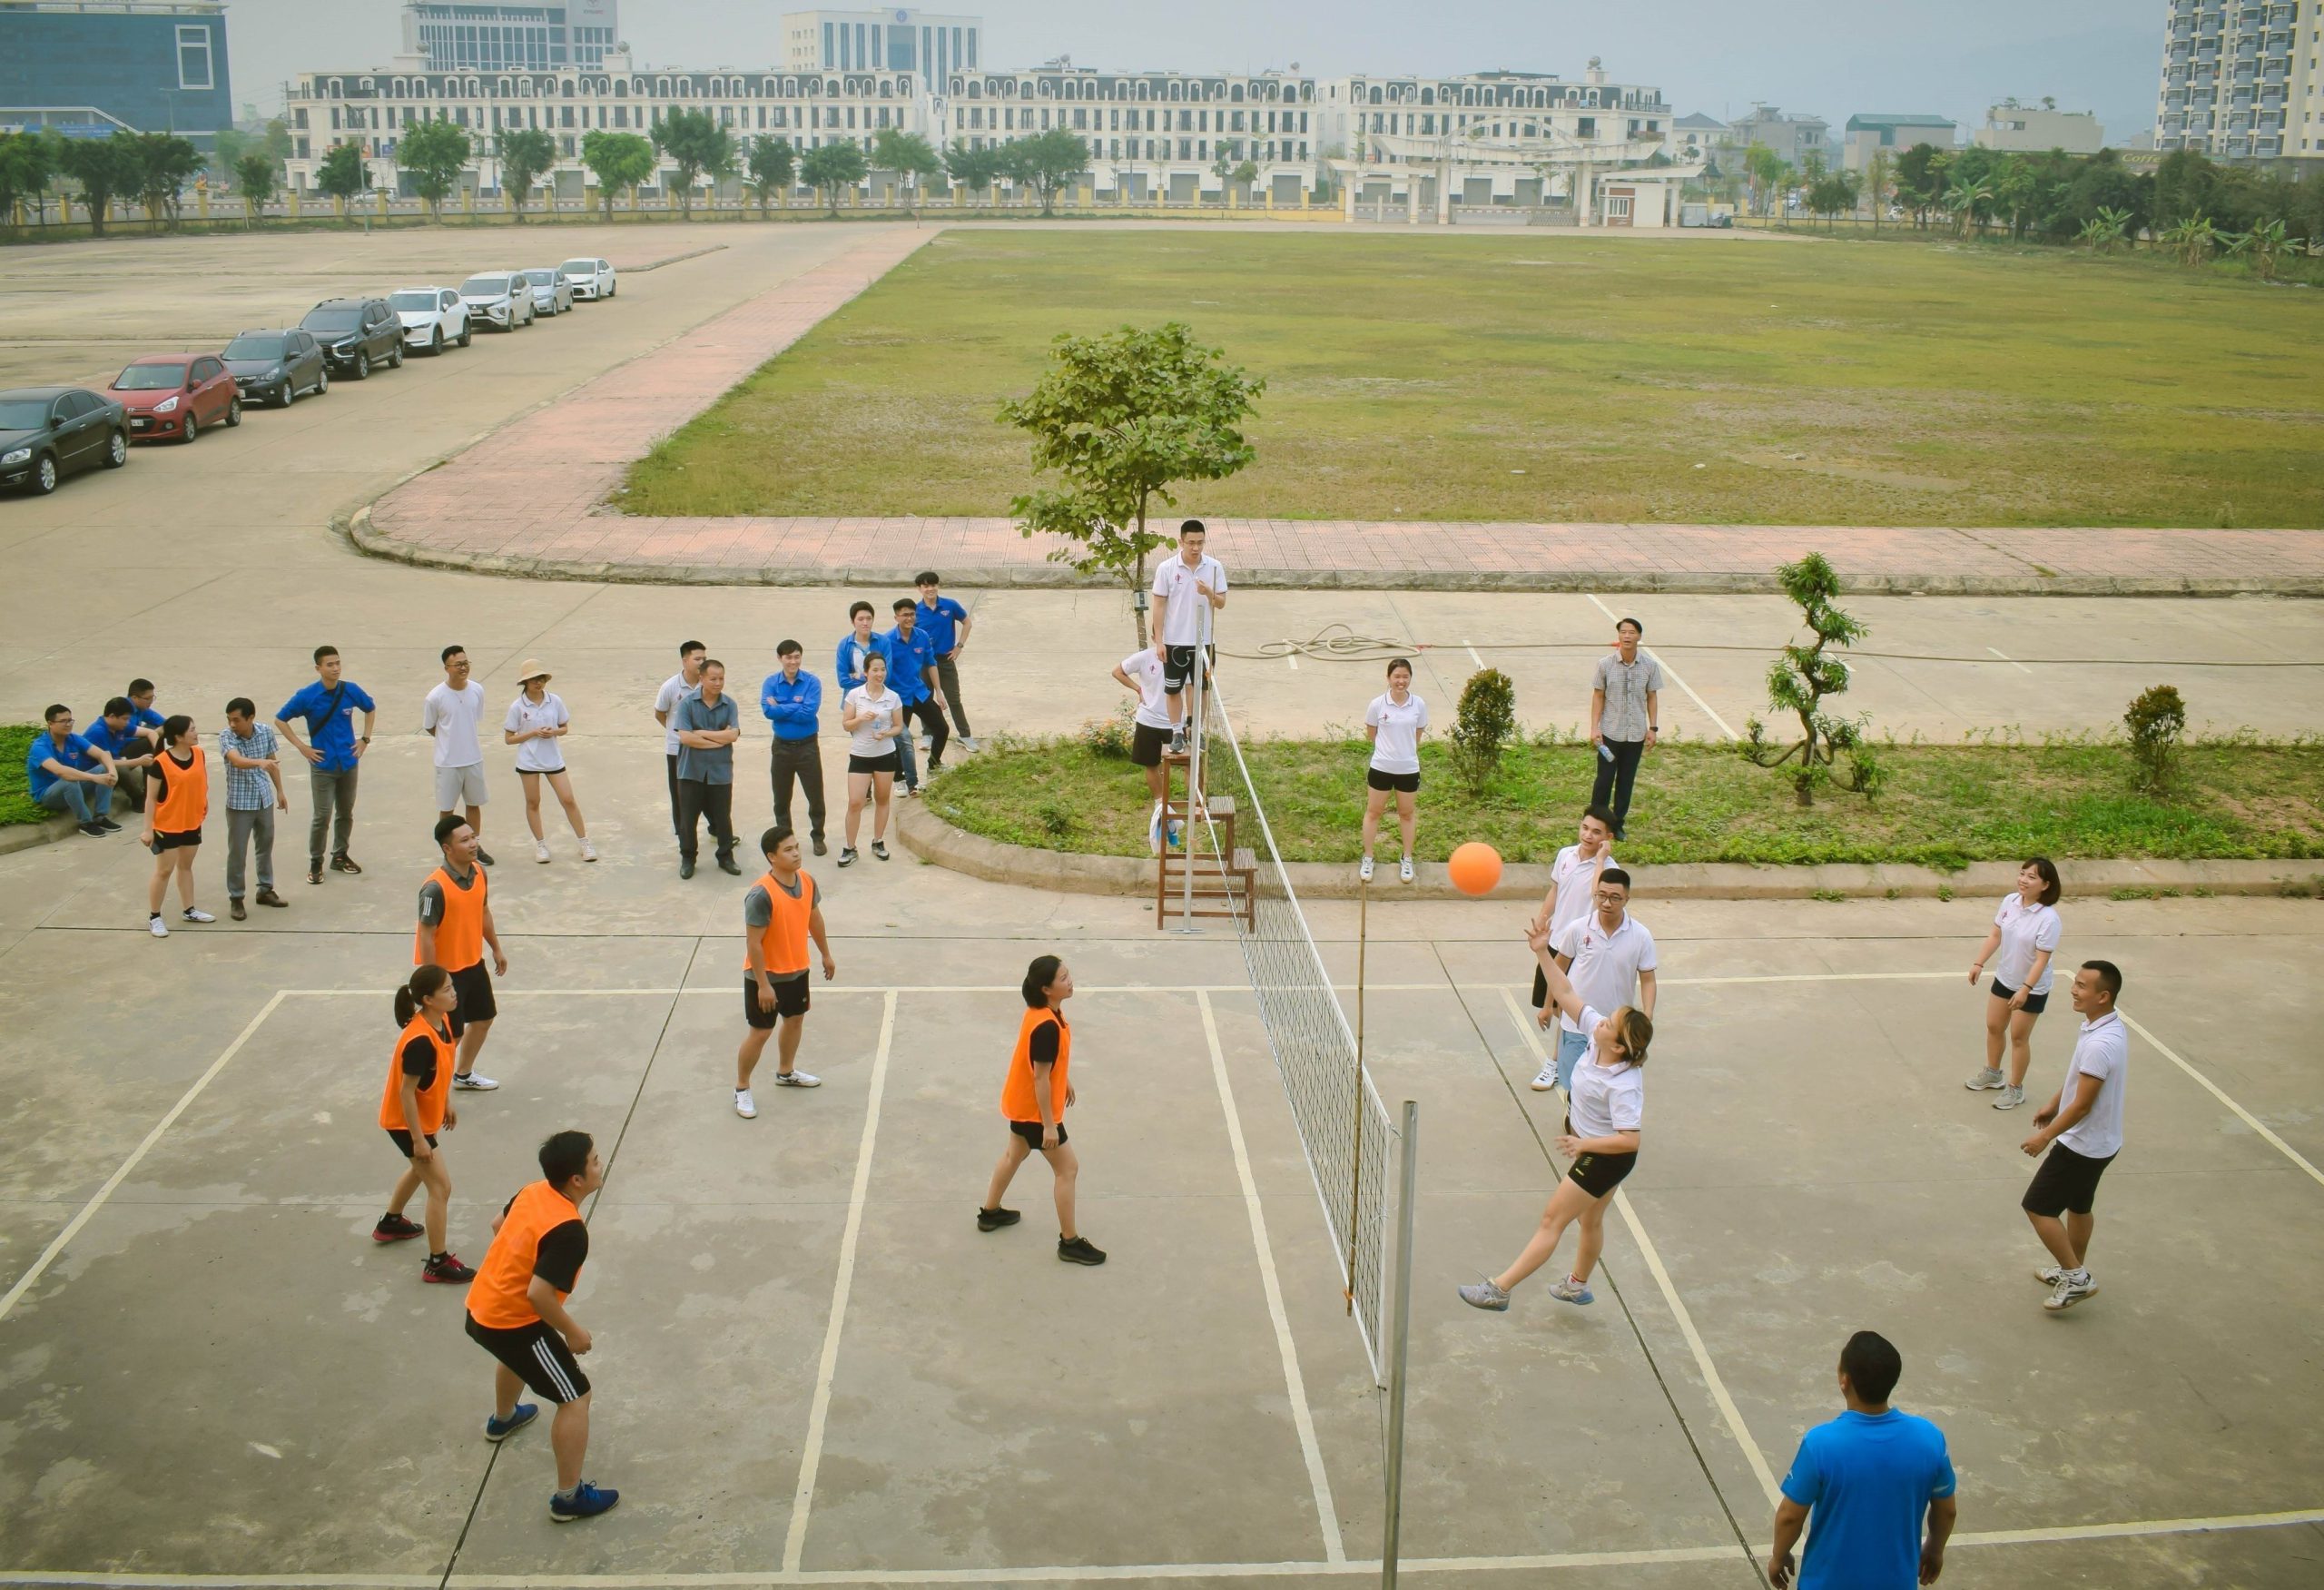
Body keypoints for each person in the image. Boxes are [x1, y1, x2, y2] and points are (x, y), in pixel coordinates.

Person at [1459, 933, 1650, 1312]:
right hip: (1594, 1147)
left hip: (1605, 1157)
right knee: (1590, 1220)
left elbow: (1630, 1141)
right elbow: (1564, 991)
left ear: (1618, 1046)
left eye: (1609, 1023)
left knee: (1552, 1220)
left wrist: (1583, 1145)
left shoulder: (1624, 1085)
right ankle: (1577, 1286)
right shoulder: (1597, 1036)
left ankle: (1499, 1290)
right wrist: (1541, 952)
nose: (1601, 1019)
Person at [463, 1129, 618, 1522]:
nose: (600, 1165)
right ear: (577, 1179)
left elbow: (497, 1225)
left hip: (481, 1307)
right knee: (576, 1398)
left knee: (516, 1358)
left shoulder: (532, 1191)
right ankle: (569, 1498)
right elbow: (538, 1295)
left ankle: (504, 1419)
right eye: (595, 1161)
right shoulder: (569, 1231)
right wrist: (573, 1332)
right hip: (515, 1323)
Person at [1768, 1331, 1957, 1590]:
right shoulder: (1930, 1439)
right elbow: (1947, 1510)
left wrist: (1779, 1556)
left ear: (1844, 1381)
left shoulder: (1821, 1444)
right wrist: (1934, 1549)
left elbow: (1790, 1516)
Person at [982, 954, 1106, 1265]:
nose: (1070, 981)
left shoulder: (1041, 1012)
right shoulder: (1047, 1027)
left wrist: (1064, 1080)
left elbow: (1046, 1064)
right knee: (1068, 1169)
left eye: (1068, 975)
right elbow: (1039, 1077)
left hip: (1021, 1104)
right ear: (1046, 989)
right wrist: (1049, 1126)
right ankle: (1070, 1242)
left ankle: (990, 1213)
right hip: (1035, 1113)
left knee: (1014, 1154)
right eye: (1063, 978)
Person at [2019, 960, 2127, 1313]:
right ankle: (2072, 1269)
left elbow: (2082, 1106)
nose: (2073, 990)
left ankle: (2077, 1277)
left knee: (2037, 1207)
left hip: (2081, 1145)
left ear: (2103, 996)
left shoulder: (2100, 1044)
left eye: (2082, 985)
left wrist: (2045, 1137)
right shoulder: (2103, 1026)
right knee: (2079, 1206)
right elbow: (2079, 1082)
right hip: (2102, 1142)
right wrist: (2054, 1103)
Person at [374, 963, 477, 1284]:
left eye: (452, 986)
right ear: (428, 1000)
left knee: (422, 1170)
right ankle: (437, 1262)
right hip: (405, 1123)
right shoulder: (419, 1041)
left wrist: (444, 1101)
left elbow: (438, 1070)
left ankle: (390, 1223)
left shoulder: (440, 1020)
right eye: (447, 989)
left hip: (420, 1120)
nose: (454, 993)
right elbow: (406, 1093)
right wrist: (418, 1139)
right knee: (440, 1187)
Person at [735, 825, 836, 1116]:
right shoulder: (760, 894)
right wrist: (763, 985)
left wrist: (826, 954)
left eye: (797, 847)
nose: (796, 854)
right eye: (788, 850)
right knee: (760, 1032)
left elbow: (814, 919)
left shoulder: (807, 880)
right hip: (765, 977)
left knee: (794, 1021)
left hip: (796, 970)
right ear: (772, 857)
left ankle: (786, 1072)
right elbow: (754, 944)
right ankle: (742, 1088)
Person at [1541, 865, 1658, 1096]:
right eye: (1601, 896)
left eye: (1615, 898)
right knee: (1572, 1086)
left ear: (1626, 899)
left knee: (1605, 1090)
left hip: (1614, 1029)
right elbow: (1558, 969)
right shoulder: (1578, 928)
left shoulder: (1641, 935)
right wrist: (1547, 1006)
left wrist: (1648, 1014)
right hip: (1576, 1023)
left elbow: (1648, 980)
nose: (1606, 903)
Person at [1525, 807, 1618, 1089]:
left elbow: (1597, 896)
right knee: (1555, 1009)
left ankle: (1555, 1063)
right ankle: (1574, 1054)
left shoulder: (1610, 870)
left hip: (1583, 949)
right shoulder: (1566, 855)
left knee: (1567, 1009)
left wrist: (1600, 859)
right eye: (1585, 828)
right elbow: (1556, 891)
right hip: (1555, 943)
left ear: (1608, 838)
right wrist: (1542, 920)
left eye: (1596, 832)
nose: (1588, 835)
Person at [416, 815, 507, 1092]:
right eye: (465, 840)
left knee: (484, 1018)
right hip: (447, 974)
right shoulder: (434, 889)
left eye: (473, 837)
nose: (473, 844)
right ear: (447, 848)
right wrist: (433, 980)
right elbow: (426, 935)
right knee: (450, 1036)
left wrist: (496, 948)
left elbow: (483, 911)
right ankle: (424, 1086)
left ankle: (463, 1074)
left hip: (472, 964)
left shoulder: (479, 873)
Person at [1964, 858, 2063, 1111]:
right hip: (2005, 977)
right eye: (2022, 874)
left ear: (2046, 885)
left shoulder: (2049, 919)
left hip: (2033, 987)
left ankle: (2015, 1088)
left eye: (2031, 877)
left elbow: (2041, 960)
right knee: (1994, 1026)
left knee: (2019, 1037)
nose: (2023, 880)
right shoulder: (2010, 901)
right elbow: (1995, 935)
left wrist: (2025, 989)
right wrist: (1979, 963)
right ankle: (1993, 1073)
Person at [274, 645, 377, 885]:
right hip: (323, 765)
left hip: (348, 762)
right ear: (318, 668)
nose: (335, 668)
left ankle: (340, 855)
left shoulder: (350, 690)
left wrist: (365, 739)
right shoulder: (307, 696)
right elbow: (280, 719)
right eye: (329, 665)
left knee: (346, 812)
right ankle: (316, 862)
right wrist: (302, 747)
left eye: (338, 663)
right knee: (322, 816)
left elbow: (370, 708)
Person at [504, 661, 595, 864]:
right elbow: (509, 738)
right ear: (525, 682)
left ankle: (584, 843)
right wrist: (533, 733)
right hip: (528, 762)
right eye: (534, 680)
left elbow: (564, 727)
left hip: (553, 759)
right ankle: (540, 845)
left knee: (568, 799)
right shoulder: (517, 707)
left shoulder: (555, 701)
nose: (538, 683)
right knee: (533, 802)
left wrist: (553, 732)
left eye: (541, 679)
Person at [1149, 520, 1227, 753]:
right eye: (1191, 542)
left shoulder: (1214, 567)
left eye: (1200, 543)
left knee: (1202, 688)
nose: (1196, 548)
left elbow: (1221, 603)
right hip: (1174, 642)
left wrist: (1208, 592)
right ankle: (1176, 732)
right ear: (1181, 542)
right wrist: (1160, 641)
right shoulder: (1166, 568)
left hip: (1204, 642)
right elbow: (1159, 605)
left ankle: (1197, 730)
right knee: (1173, 689)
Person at [1588, 617, 1662, 841]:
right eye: (1623, 632)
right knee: (1604, 780)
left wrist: (1653, 728)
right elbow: (1598, 696)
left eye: (1631, 632)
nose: (1627, 636)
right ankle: (1595, 823)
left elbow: (1652, 696)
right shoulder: (1605, 664)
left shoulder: (1650, 666)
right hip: (1610, 735)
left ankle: (1617, 824)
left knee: (1625, 782)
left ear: (1639, 636)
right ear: (1618, 636)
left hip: (1635, 736)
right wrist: (1594, 728)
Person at [217, 697, 290, 921]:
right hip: (240, 803)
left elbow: (272, 762)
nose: (232, 724)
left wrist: (280, 791)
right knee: (237, 852)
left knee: (265, 845)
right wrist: (259, 762)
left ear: (250, 718)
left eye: (236, 720)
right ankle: (236, 897)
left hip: (263, 799)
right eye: (229, 719)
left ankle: (265, 889)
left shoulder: (265, 731)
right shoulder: (226, 736)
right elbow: (237, 761)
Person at [140, 716, 212, 937]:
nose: (196, 733)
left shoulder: (199, 754)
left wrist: (203, 803)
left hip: (192, 822)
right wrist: (148, 829)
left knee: (186, 866)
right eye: (192, 730)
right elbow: (151, 798)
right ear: (179, 737)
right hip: (167, 825)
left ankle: (189, 910)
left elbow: (200, 782)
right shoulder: (160, 763)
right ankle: (154, 917)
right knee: (164, 871)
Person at [1359, 657, 1429, 884]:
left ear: (1410, 678)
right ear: (1388, 678)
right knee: (1373, 812)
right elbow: (1372, 734)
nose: (1401, 681)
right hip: (1381, 767)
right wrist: (1387, 752)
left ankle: (1407, 858)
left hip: (1408, 769)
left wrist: (1403, 753)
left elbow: (1417, 734)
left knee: (1407, 814)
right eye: (1396, 676)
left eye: (1405, 676)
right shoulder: (1377, 705)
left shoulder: (1418, 704)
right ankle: (1368, 858)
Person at [425, 645, 494, 867]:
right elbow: (430, 726)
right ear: (447, 668)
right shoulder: (435, 697)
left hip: (473, 758)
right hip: (447, 763)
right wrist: (448, 741)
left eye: (466, 663)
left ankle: (475, 846)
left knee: (474, 804)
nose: (463, 668)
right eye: (458, 664)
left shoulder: (477, 690)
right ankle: (448, 851)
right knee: (447, 809)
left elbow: (474, 718)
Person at [672, 658, 741, 878]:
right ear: (701, 679)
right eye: (713, 679)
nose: (718, 683)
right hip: (691, 772)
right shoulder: (687, 704)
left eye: (721, 679)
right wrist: (719, 740)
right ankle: (688, 858)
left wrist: (701, 733)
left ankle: (726, 856)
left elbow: (733, 735)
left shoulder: (730, 705)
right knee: (688, 819)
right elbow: (686, 738)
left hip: (720, 772)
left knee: (723, 818)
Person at [763, 640, 828, 858]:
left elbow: (808, 713)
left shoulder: (812, 682)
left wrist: (780, 707)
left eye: (797, 657)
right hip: (781, 748)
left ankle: (818, 836)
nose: (793, 662)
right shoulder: (771, 683)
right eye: (788, 657)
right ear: (779, 658)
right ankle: (785, 841)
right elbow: (768, 712)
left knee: (815, 795)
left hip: (807, 747)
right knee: (781, 798)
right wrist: (795, 707)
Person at [1111, 646, 1178, 854]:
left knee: (1189, 764)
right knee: (1151, 764)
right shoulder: (1143, 657)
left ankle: (1200, 802)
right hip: (1148, 719)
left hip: (1175, 722)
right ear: (1154, 638)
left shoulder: (1180, 656)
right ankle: (1160, 803)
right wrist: (1138, 689)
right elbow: (1117, 672)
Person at [839, 651, 901, 866]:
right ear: (866, 672)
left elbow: (898, 726)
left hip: (885, 755)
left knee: (882, 799)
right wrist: (860, 718)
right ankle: (850, 847)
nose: (879, 674)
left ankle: (878, 841)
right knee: (855, 802)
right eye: (875, 670)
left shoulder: (893, 697)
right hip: (861, 755)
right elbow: (846, 724)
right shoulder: (854, 695)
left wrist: (887, 733)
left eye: (883, 669)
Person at [26, 704, 120, 837]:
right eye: (63, 721)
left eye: (70, 720)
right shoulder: (39, 747)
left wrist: (113, 773)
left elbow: (102, 754)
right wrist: (94, 778)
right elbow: (61, 771)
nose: (68, 724)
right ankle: (86, 823)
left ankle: (100, 817)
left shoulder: (73, 738)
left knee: (104, 769)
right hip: (49, 796)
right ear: (50, 724)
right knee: (69, 780)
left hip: (74, 788)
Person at [887, 597, 950, 789]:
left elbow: (931, 663)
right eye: (905, 615)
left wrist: (939, 691)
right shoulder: (886, 641)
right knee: (900, 739)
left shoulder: (922, 636)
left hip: (919, 693)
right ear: (896, 617)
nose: (909, 618)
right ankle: (899, 779)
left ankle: (934, 765)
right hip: (899, 697)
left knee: (942, 729)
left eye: (912, 614)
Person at [915, 571, 977, 751]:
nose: (930, 589)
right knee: (925, 699)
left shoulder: (950, 605)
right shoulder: (916, 611)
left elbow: (967, 623)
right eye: (926, 586)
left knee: (954, 699)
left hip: (945, 660)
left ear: (938, 586)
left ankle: (965, 736)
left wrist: (959, 646)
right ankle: (927, 734)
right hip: (925, 662)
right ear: (919, 589)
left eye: (933, 585)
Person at [653, 640, 708, 842]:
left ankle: (716, 829)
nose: (702, 662)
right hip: (677, 751)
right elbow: (660, 714)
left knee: (710, 792)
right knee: (680, 795)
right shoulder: (670, 687)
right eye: (697, 659)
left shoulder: (708, 684)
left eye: (704, 658)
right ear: (685, 661)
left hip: (704, 748)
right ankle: (683, 834)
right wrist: (676, 733)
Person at [82, 697, 155, 812]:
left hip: (117, 757)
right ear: (112, 716)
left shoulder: (119, 725)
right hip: (100, 770)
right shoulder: (97, 732)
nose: (127, 722)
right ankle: (137, 797)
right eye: (125, 719)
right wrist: (139, 761)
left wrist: (160, 754)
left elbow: (151, 732)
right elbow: (107, 762)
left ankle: (150, 786)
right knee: (120, 768)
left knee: (147, 743)